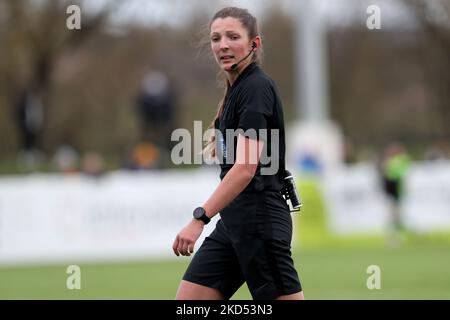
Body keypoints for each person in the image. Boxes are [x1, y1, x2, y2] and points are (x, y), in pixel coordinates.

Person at [172, 7, 303, 300]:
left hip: (260, 220)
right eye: (216, 38)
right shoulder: (236, 89)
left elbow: (245, 169)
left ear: (254, 44)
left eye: (233, 37)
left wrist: (200, 218)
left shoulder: (255, 87)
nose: (223, 45)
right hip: (234, 223)